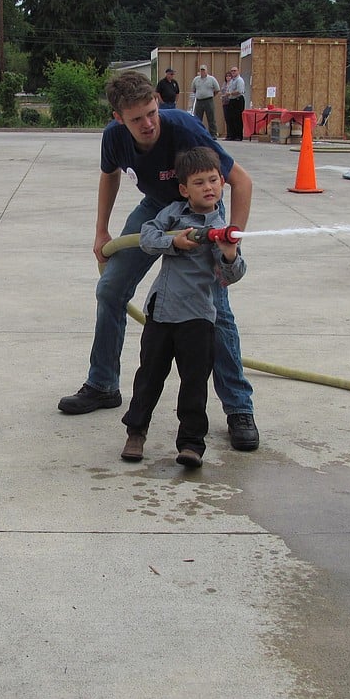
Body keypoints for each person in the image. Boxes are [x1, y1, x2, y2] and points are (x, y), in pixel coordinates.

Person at [58, 71, 259, 452]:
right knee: (110, 288)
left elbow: (241, 181)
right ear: (119, 118)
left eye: (152, 112)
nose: (148, 123)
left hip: (199, 214)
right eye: (137, 119)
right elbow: (109, 176)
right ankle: (102, 384)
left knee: (215, 308)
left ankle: (238, 408)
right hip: (157, 209)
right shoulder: (113, 138)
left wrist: (229, 237)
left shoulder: (183, 128)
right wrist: (102, 232)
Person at [121, 147, 246, 468]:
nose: (209, 187)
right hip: (161, 314)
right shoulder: (173, 214)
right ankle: (136, 433)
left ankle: (191, 444)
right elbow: (147, 235)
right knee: (149, 377)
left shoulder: (222, 228)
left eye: (214, 180)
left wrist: (230, 253)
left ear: (222, 183)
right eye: (199, 182)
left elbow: (231, 276)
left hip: (198, 318)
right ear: (183, 189)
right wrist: (174, 242)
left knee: (194, 383)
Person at [190, 64, 221, 139]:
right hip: (199, 101)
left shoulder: (211, 79)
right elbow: (193, 89)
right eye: (201, 70)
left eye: (204, 70)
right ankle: (198, 133)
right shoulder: (196, 79)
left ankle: (213, 134)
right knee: (197, 118)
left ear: (206, 71)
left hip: (208, 100)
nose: (202, 71)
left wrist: (211, 95)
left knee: (211, 118)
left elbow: (217, 89)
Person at [224, 66, 247, 141]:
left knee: (237, 118)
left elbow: (239, 91)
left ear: (238, 71)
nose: (233, 72)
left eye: (234, 71)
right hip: (232, 100)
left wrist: (229, 93)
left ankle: (238, 136)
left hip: (238, 100)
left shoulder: (239, 80)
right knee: (231, 118)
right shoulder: (232, 81)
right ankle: (232, 135)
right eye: (232, 71)